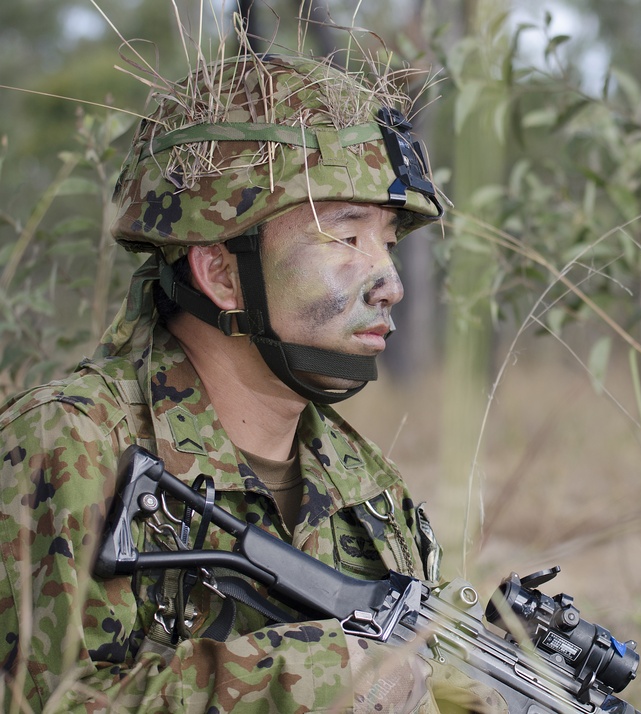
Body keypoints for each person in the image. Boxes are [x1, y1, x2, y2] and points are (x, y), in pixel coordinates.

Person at [0, 52, 503, 712]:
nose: (392, 285)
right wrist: (310, 679)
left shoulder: (368, 489)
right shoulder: (69, 444)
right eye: (347, 237)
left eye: (387, 240)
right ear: (223, 274)